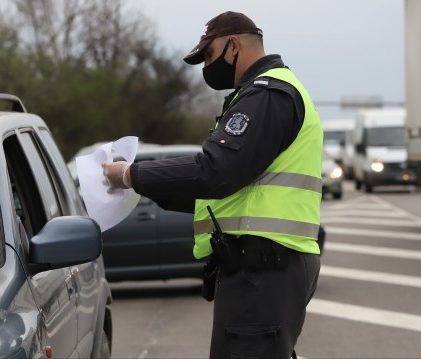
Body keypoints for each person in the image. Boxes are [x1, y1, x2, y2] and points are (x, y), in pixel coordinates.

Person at [102, 11, 322, 359]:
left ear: (234, 45)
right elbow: (224, 189)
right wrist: (147, 187)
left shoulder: (266, 95)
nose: (206, 66)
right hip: (264, 267)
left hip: (266, 268)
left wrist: (131, 175)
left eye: (208, 54)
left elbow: (214, 172)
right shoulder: (259, 95)